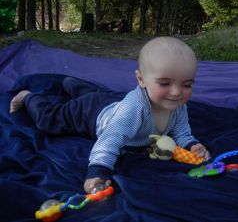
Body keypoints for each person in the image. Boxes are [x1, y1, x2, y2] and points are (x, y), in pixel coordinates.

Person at [9, 37, 210, 193]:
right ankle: (29, 97)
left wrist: (192, 145)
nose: (176, 92)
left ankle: (74, 85)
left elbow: (182, 132)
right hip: (90, 114)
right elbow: (109, 141)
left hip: (110, 102)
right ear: (141, 79)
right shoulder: (134, 110)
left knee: (97, 95)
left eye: (187, 84)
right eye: (165, 83)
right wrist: (98, 171)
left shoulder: (177, 105)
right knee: (51, 120)